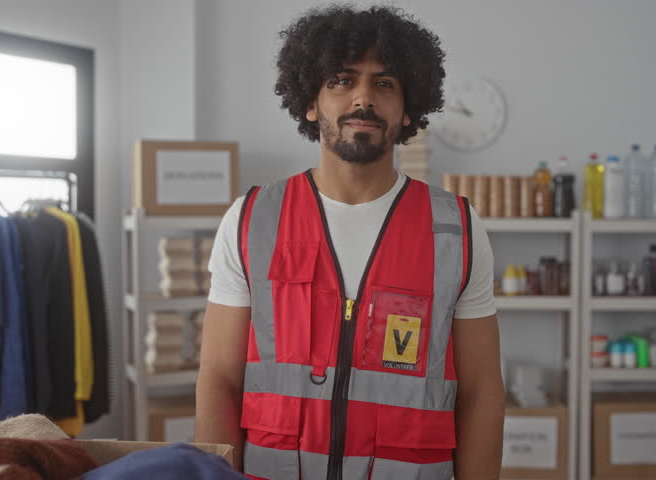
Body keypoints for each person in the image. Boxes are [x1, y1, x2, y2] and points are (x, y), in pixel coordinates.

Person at [195, 5, 504, 479]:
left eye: (384, 83)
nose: (363, 98)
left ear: (407, 111)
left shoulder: (457, 230)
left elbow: (482, 391)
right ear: (311, 102)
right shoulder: (251, 220)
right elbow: (218, 380)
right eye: (342, 80)